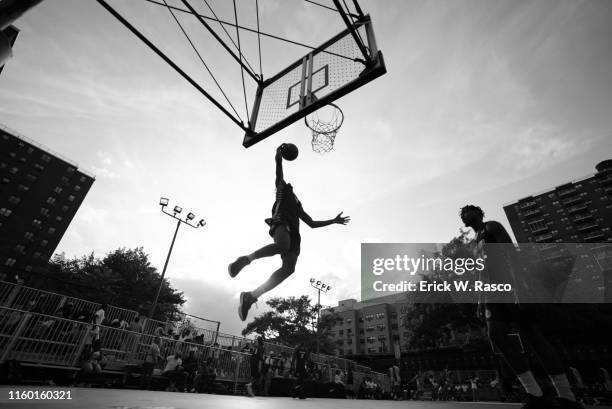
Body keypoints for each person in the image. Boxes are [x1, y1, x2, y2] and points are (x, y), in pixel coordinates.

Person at [460, 204, 581, 409]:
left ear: (479, 213)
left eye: (468, 210)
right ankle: (535, 394)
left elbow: (511, 255)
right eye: (462, 213)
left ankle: (567, 396)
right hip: (492, 293)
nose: (464, 214)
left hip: (510, 286)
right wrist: (481, 299)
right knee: (496, 335)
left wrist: (519, 286)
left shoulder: (492, 227)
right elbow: (481, 272)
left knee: (533, 337)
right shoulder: (473, 244)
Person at [229, 144, 350, 321]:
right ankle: (245, 259)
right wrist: (278, 157)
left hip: (294, 233)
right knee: (282, 245)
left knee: (289, 269)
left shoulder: (297, 202)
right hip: (281, 222)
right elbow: (279, 172)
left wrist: (333, 221)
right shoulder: (281, 188)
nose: (290, 184)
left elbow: (312, 223)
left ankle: (251, 296)